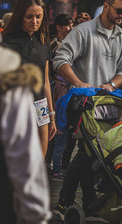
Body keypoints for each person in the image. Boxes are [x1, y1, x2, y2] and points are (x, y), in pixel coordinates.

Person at [53, 0, 122, 220]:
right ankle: (65, 202)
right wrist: (79, 83)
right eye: (118, 10)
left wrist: (111, 84)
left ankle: (86, 202)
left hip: (109, 105)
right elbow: (60, 59)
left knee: (93, 155)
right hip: (84, 105)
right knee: (86, 154)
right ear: (106, 6)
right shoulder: (83, 31)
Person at [0, 45, 51, 224]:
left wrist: (50, 112)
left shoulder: (42, 47)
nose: (34, 21)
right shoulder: (10, 82)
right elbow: (24, 158)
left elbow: (46, 82)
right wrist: (36, 215)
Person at [2, 0, 57, 157]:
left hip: (40, 106)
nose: (34, 21)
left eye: (38, 17)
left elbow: (46, 80)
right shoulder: (7, 41)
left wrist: (51, 115)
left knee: (39, 161)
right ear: (20, 16)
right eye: (29, 17)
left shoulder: (44, 40)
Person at [47, 13, 74, 179]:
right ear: (58, 27)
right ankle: (54, 165)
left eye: (72, 25)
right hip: (57, 90)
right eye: (68, 25)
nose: (70, 28)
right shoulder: (55, 44)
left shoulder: (64, 43)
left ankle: (53, 164)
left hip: (61, 90)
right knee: (58, 127)